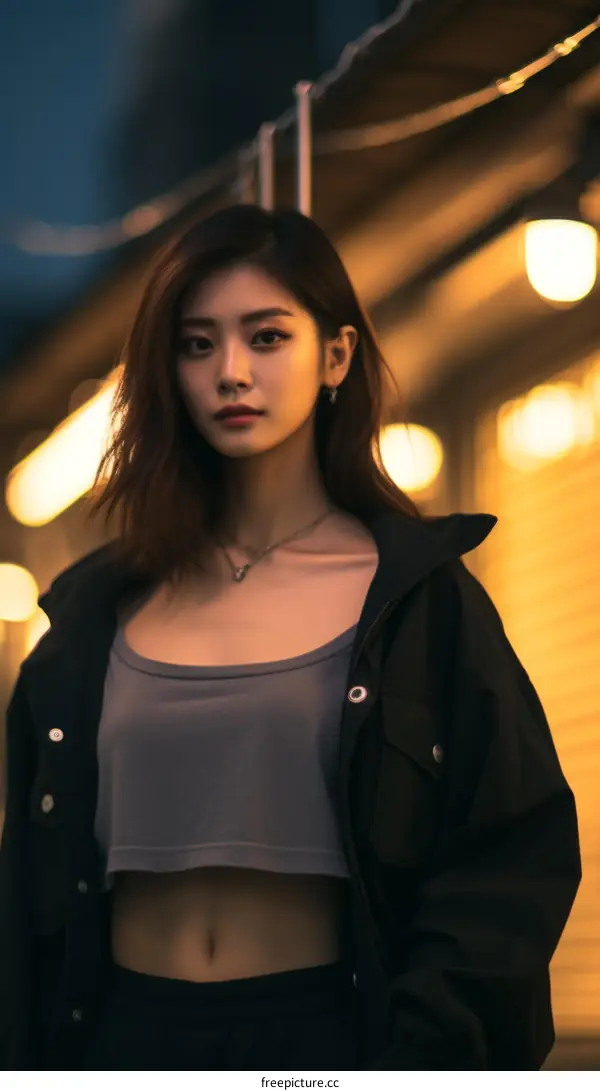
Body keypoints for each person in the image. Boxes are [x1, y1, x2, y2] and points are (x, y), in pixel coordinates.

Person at [0, 203, 581, 1072]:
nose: (231, 371)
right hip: (117, 1035)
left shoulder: (418, 604)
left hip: (320, 1038)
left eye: (266, 337)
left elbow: (511, 850)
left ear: (336, 354)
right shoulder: (90, 617)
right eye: (197, 344)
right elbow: (28, 882)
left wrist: (432, 1049)